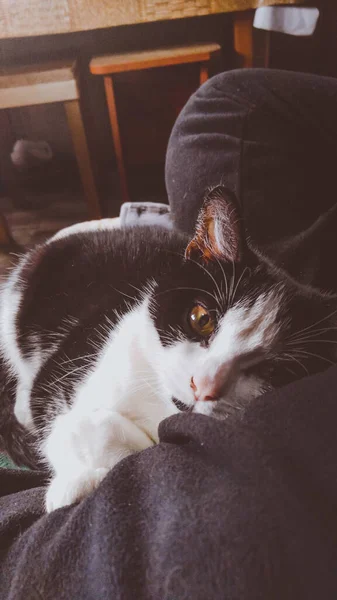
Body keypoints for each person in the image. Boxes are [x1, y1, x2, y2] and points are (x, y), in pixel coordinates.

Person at [1, 69, 337, 600]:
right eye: (204, 326)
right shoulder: (132, 348)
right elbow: (55, 415)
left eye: (264, 370)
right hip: (52, 284)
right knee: (217, 109)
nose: (208, 382)